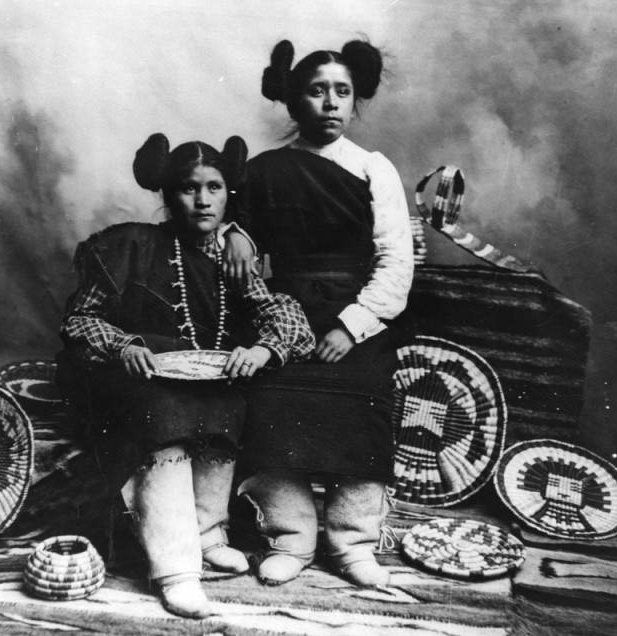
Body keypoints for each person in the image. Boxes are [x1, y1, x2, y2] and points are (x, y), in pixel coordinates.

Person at [56, 133, 315, 618]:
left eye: (214, 187)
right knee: (165, 410)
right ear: (168, 195)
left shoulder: (232, 256)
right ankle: (176, 569)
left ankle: (207, 533)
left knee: (229, 399)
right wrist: (123, 344)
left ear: (227, 193)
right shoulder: (130, 246)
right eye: (189, 188)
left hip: (198, 381)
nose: (202, 200)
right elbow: (79, 321)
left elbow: (283, 317)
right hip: (129, 378)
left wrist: (264, 348)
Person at [225, 39, 415, 588]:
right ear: (293, 102)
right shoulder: (263, 171)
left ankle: (351, 541)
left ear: (356, 103)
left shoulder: (373, 169)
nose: (330, 102)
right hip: (282, 313)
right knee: (267, 404)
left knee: (364, 405)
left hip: (357, 315)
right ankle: (291, 537)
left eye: (342, 92)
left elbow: (395, 262)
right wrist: (237, 232)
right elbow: (225, 222)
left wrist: (350, 327)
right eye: (316, 91)